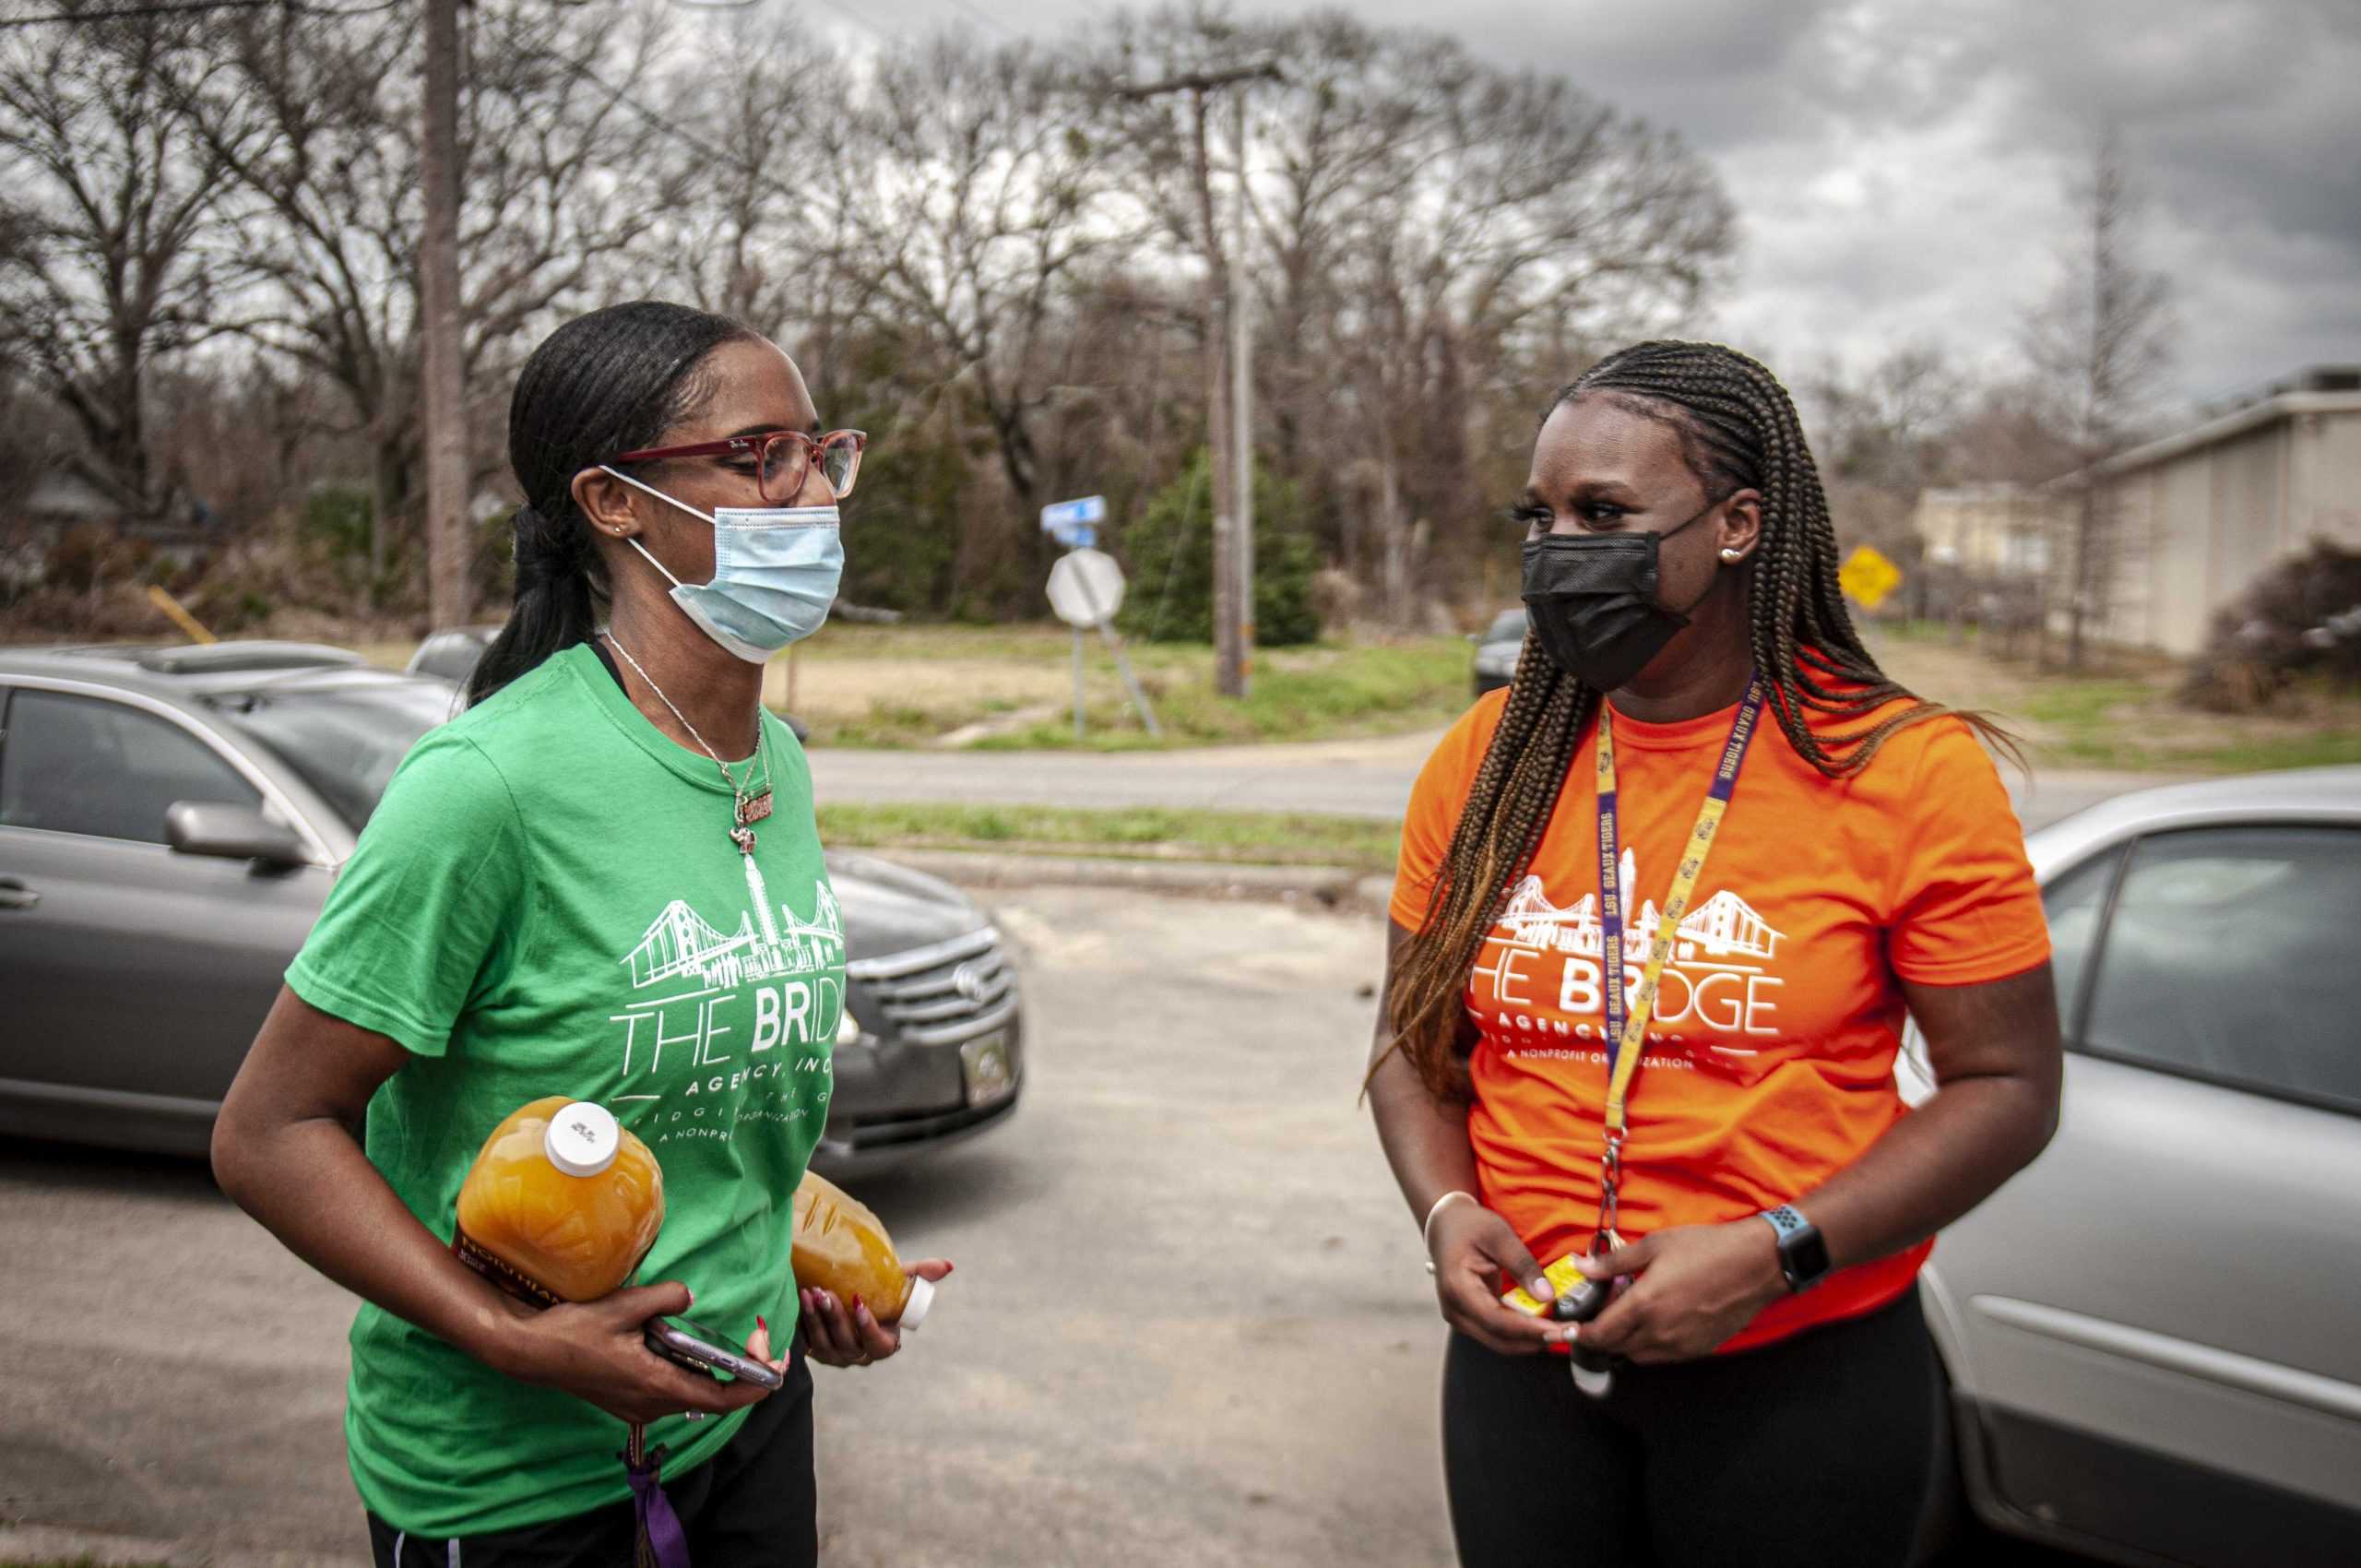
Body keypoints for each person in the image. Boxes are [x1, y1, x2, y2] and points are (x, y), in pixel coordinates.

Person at [212, 300, 949, 1567]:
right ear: (614, 501)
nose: (812, 495)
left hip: (745, 1419)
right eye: (756, 454)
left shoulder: (772, 760)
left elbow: (695, 1112)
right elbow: (270, 1135)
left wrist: (810, 1278)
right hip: (512, 1487)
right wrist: (508, 1334)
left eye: (821, 453)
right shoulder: (486, 787)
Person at [1367, 340, 2060, 1568]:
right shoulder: (1492, 756)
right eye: (1541, 515)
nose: (1555, 549)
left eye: (1604, 513)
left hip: (1802, 1379)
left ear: (1739, 523)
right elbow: (1406, 1054)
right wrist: (1446, 1211)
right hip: (1525, 1368)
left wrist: (1774, 1250)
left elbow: (2008, 1091)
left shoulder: (1905, 770)